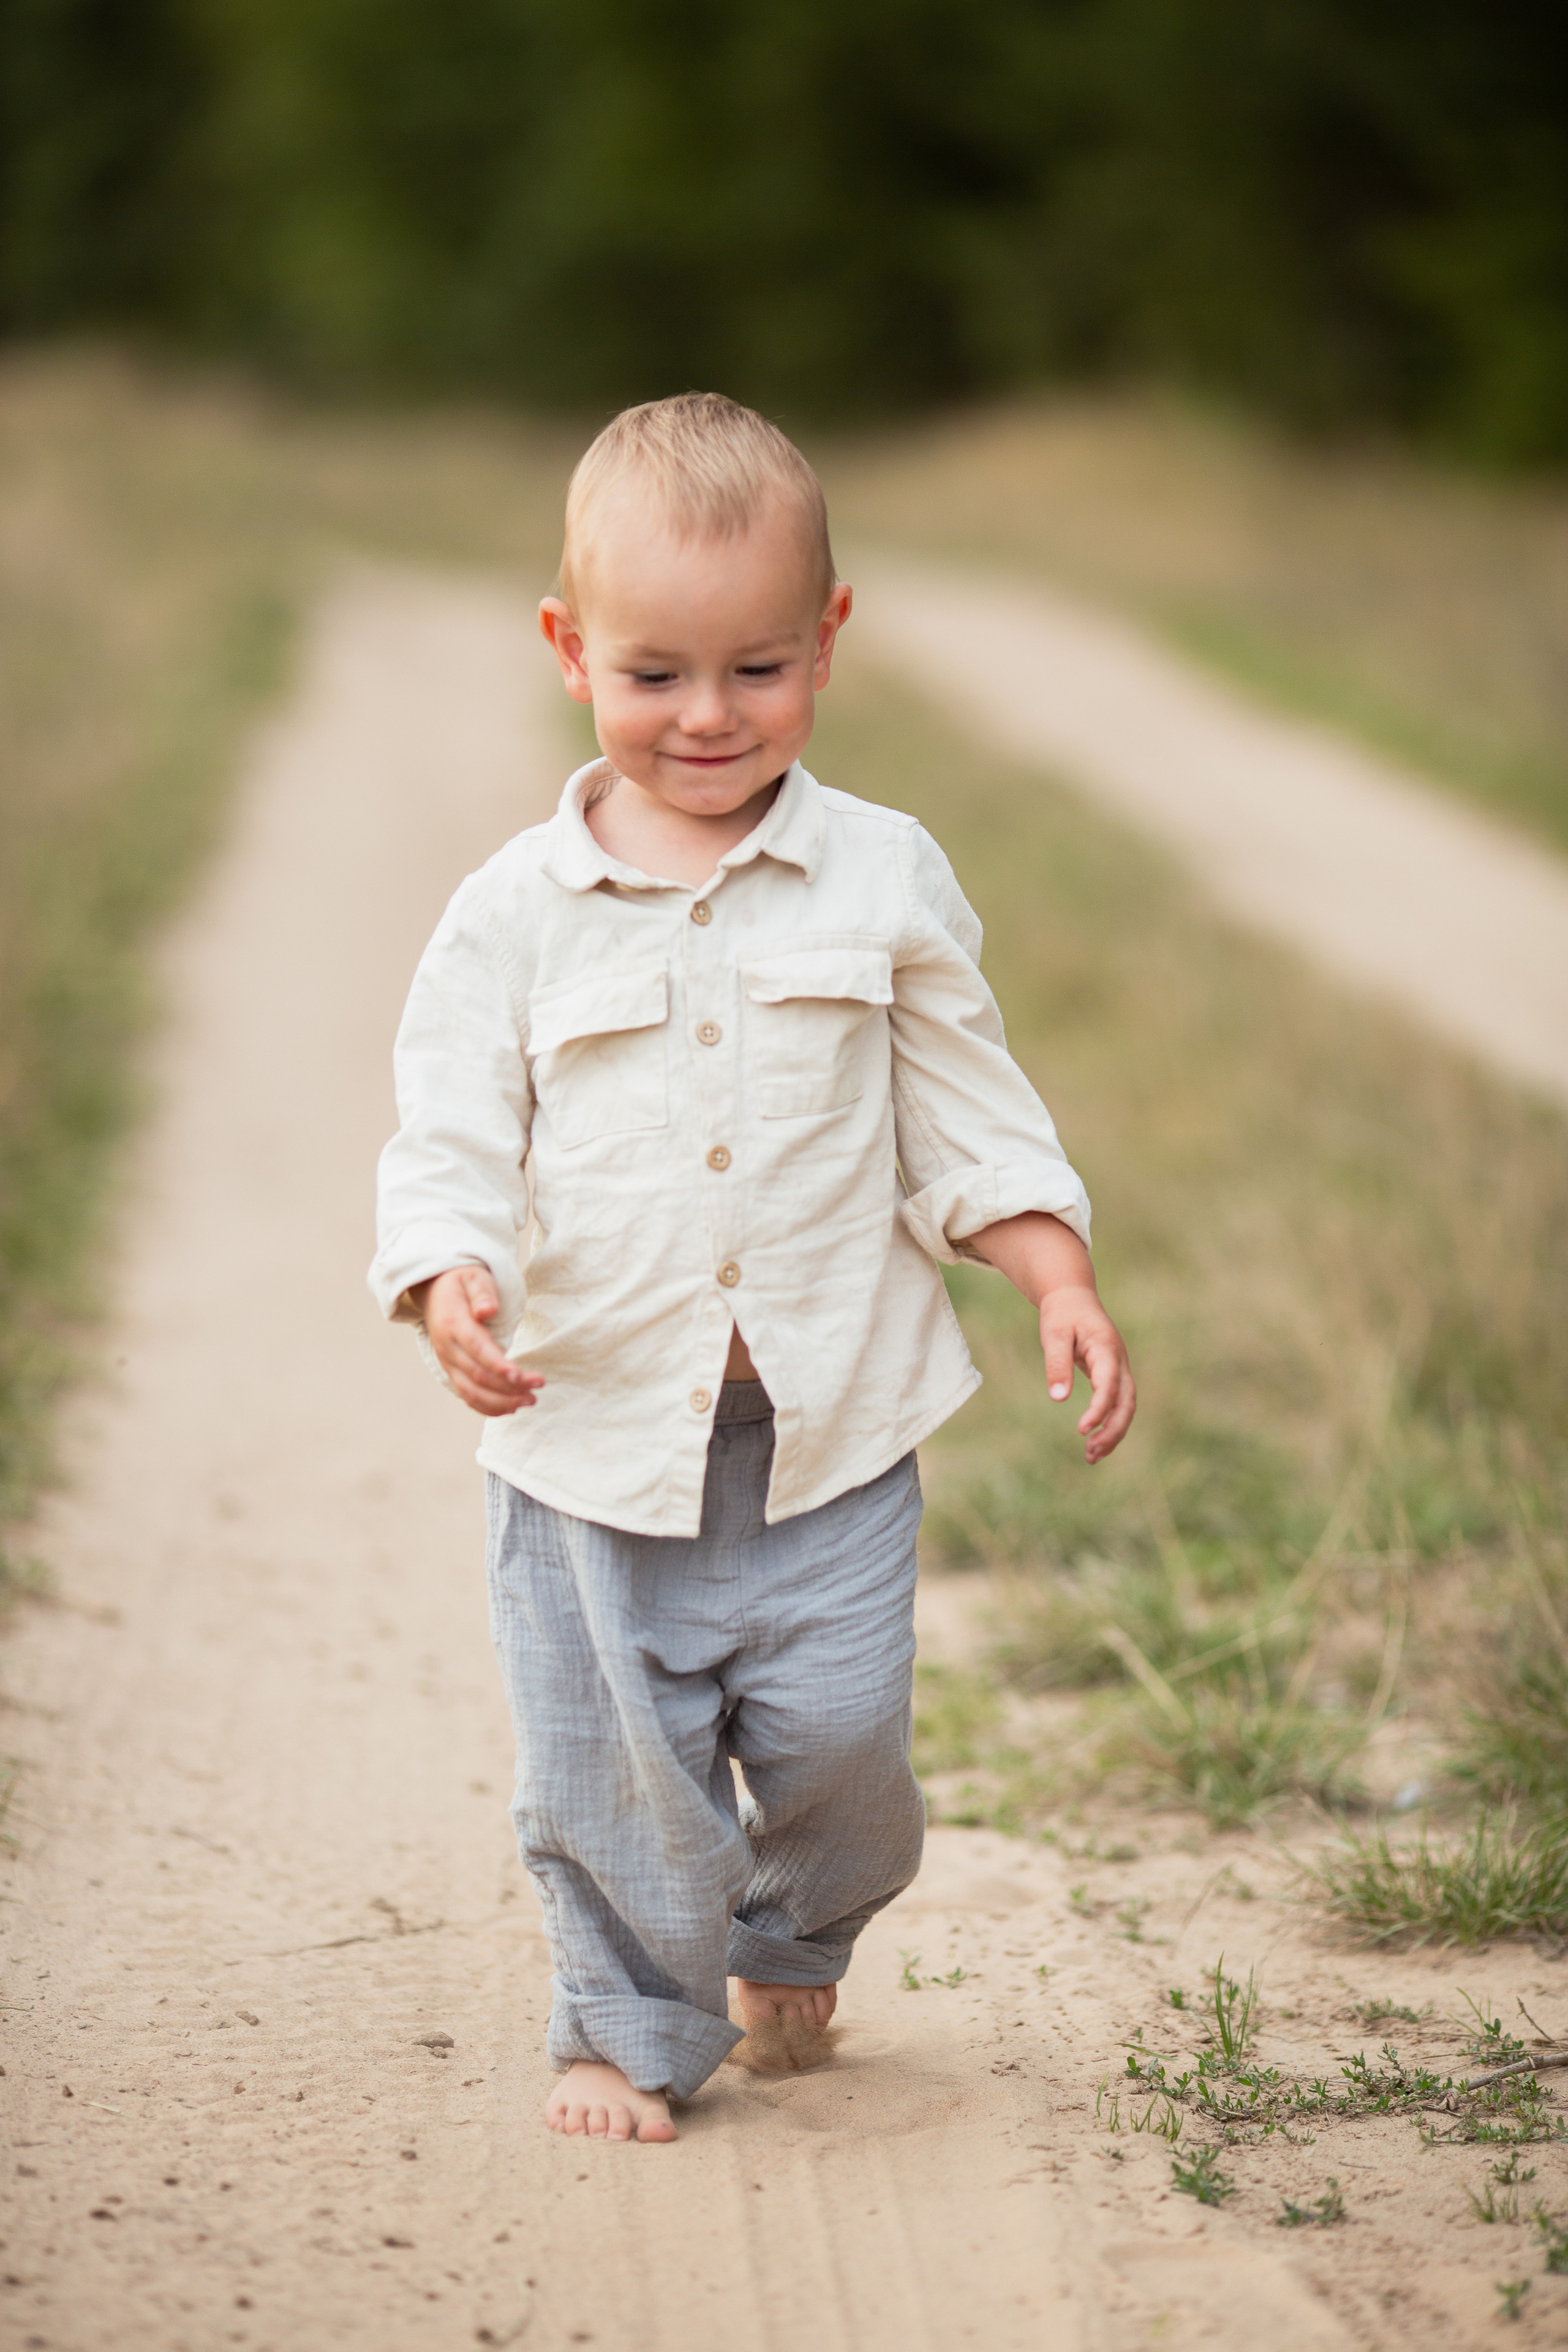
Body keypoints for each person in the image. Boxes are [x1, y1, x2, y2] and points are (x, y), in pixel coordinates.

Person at [369, 392, 1136, 2145]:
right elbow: (451, 1132)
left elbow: (967, 1110)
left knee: (847, 1751)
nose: (709, 718)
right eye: (655, 676)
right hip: (593, 1451)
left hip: (830, 1439)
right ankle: (622, 2027)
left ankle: (798, 1926)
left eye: (757, 670)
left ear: (829, 641)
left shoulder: (881, 876)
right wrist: (444, 1278)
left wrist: (1054, 1271)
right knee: (611, 1772)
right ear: (571, 651)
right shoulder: (515, 912)